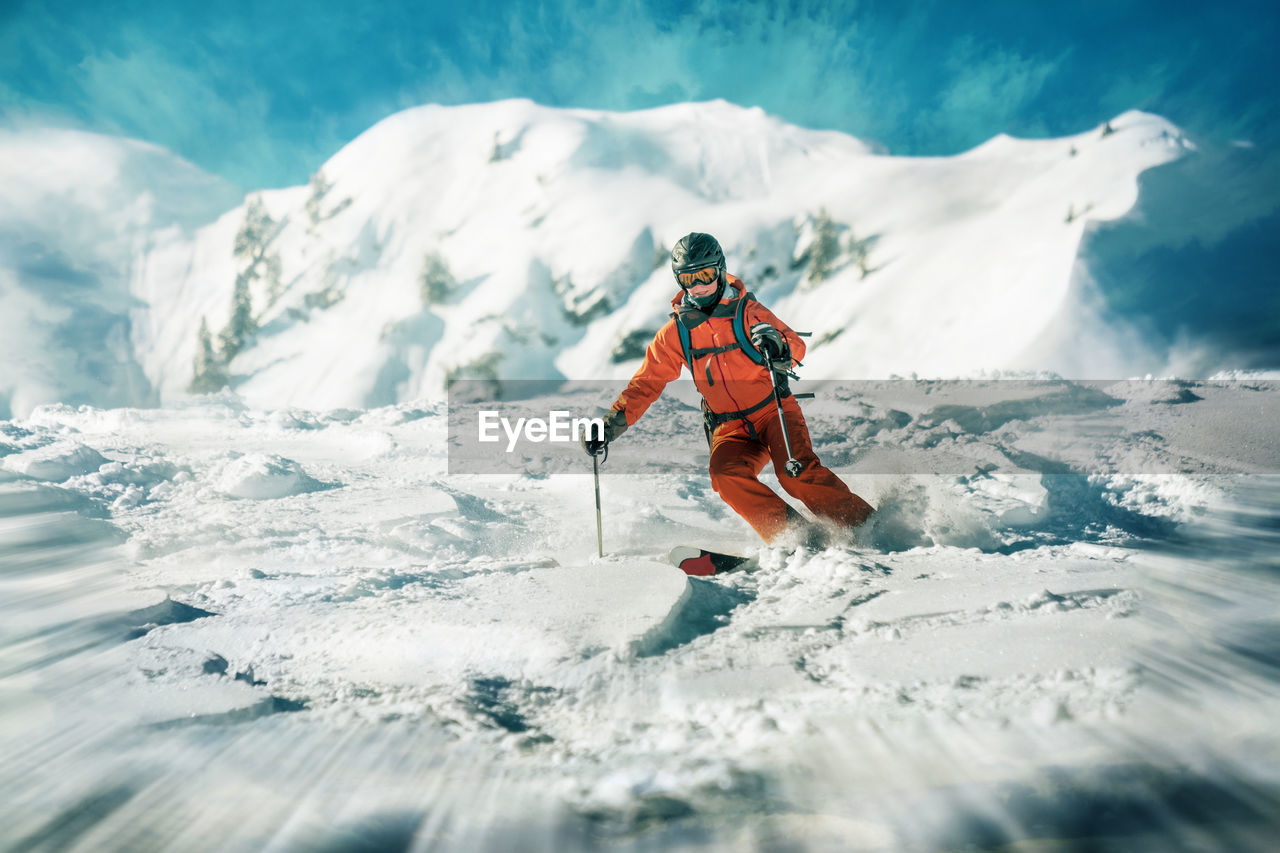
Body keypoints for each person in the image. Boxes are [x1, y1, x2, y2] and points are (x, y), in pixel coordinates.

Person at [583, 232, 873, 543]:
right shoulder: (677, 333)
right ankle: (796, 537)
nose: (699, 286)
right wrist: (610, 425)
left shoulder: (748, 313)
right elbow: (646, 382)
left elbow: (795, 346)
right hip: (729, 426)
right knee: (726, 476)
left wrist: (778, 347)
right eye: (689, 279)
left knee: (796, 472)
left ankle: (863, 525)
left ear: (720, 270)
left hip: (773, 411)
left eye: (705, 275)